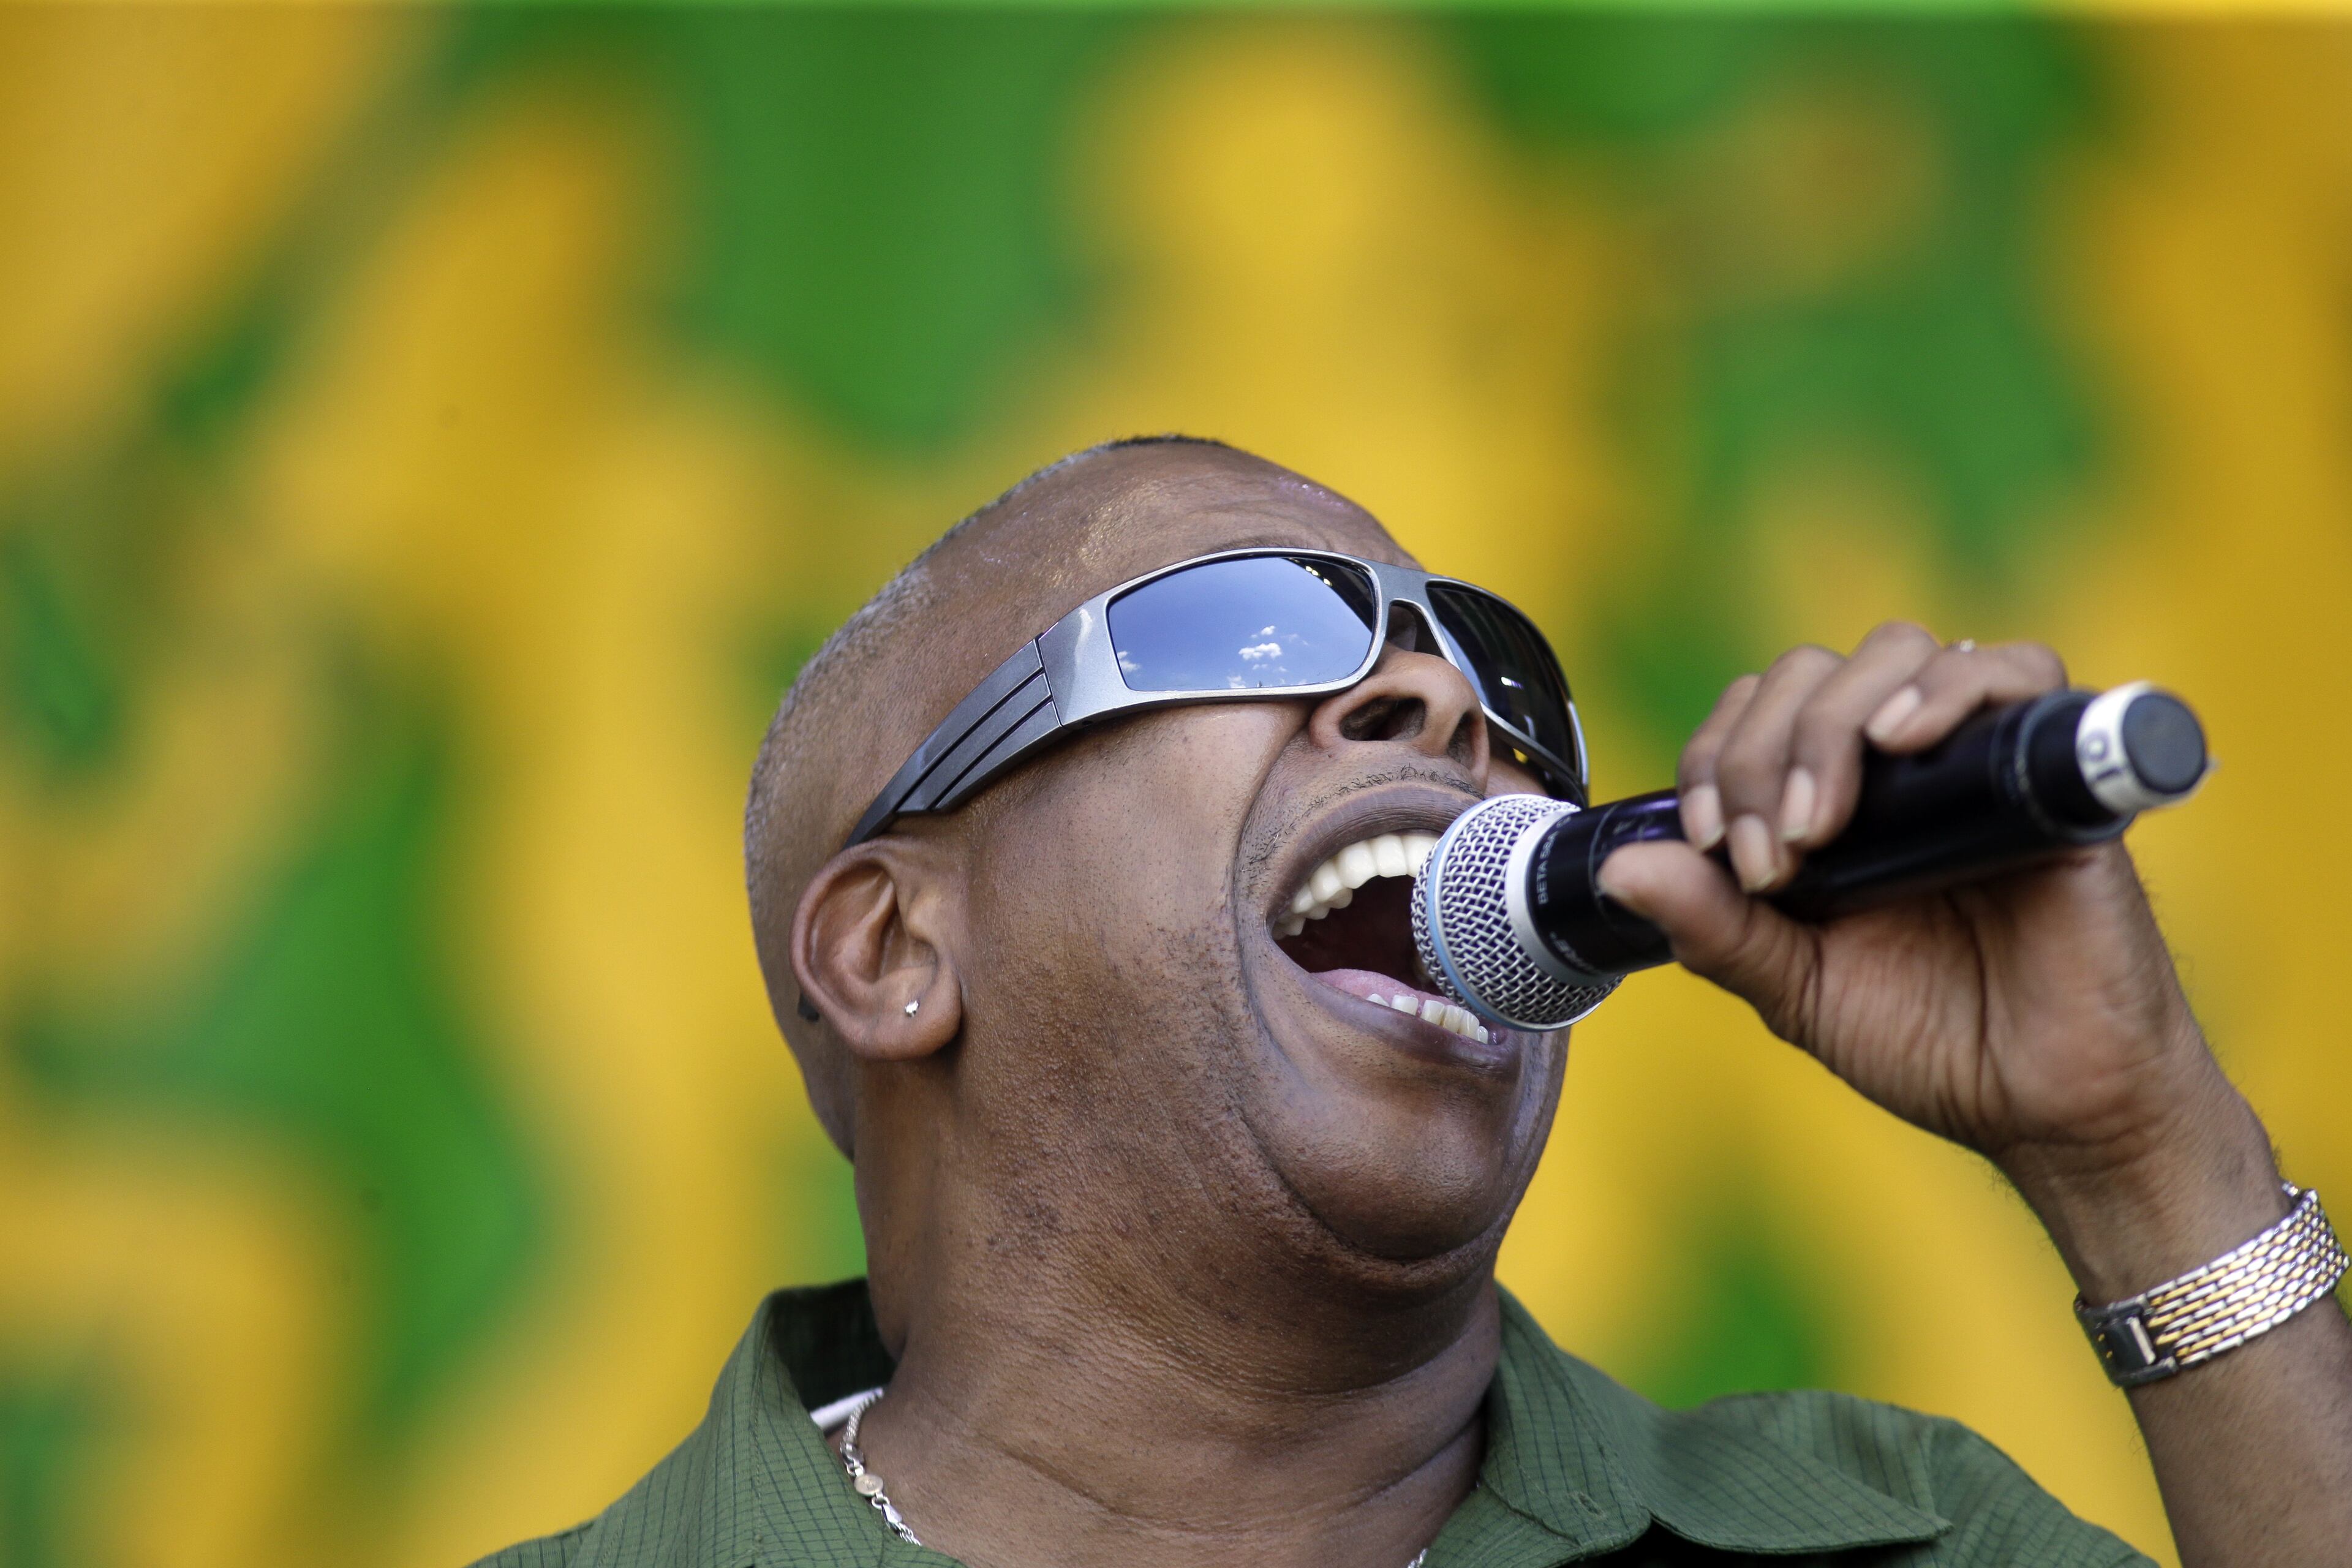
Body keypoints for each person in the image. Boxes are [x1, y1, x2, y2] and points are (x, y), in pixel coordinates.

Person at [477, 437, 2351, 1568]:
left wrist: (2143, 1155)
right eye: (1235, 624)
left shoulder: (1899, 1538)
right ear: (892, 951)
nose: (1444, 707)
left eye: (1498, 675)